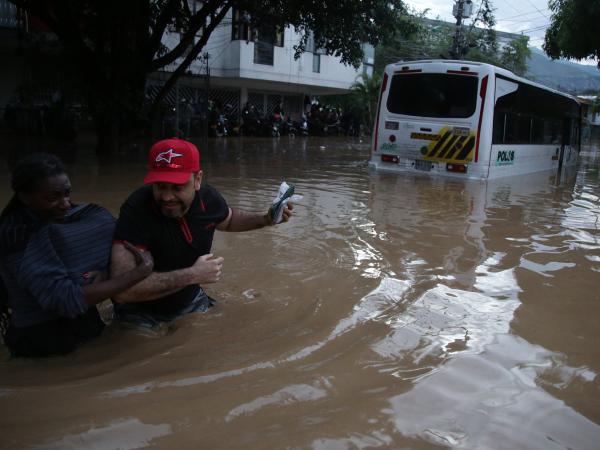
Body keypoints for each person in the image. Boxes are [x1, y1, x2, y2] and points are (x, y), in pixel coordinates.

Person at [110, 138, 293, 327]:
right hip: (140, 313)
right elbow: (122, 291)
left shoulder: (208, 199)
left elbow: (228, 221)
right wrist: (192, 275)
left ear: (198, 180)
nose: (167, 196)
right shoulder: (137, 210)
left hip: (190, 300)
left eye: (177, 187)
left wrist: (265, 219)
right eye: (160, 186)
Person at [0, 153, 154, 357]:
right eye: (53, 197)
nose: (65, 203)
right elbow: (65, 299)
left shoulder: (78, 217)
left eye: (67, 193)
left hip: (87, 324)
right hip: (41, 341)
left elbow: (102, 254)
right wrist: (138, 274)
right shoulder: (16, 237)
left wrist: (106, 273)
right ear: (25, 197)